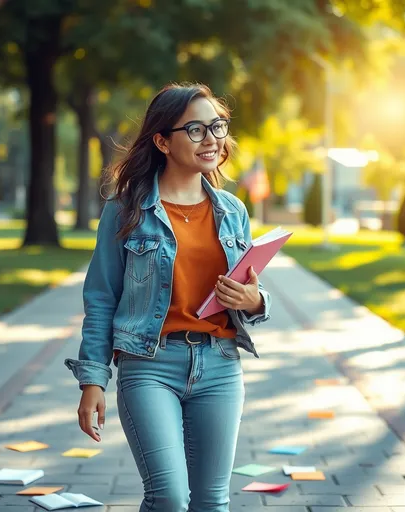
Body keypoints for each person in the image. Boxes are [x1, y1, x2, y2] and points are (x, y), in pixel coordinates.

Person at [65, 82, 272, 512]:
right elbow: (101, 297)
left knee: (212, 501)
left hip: (220, 364)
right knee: (169, 497)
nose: (212, 138)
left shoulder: (234, 211)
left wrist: (253, 300)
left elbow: (250, 291)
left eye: (217, 126)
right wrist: (92, 380)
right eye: (195, 130)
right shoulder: (125, 211)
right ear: (162, 141)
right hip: (150, 366)